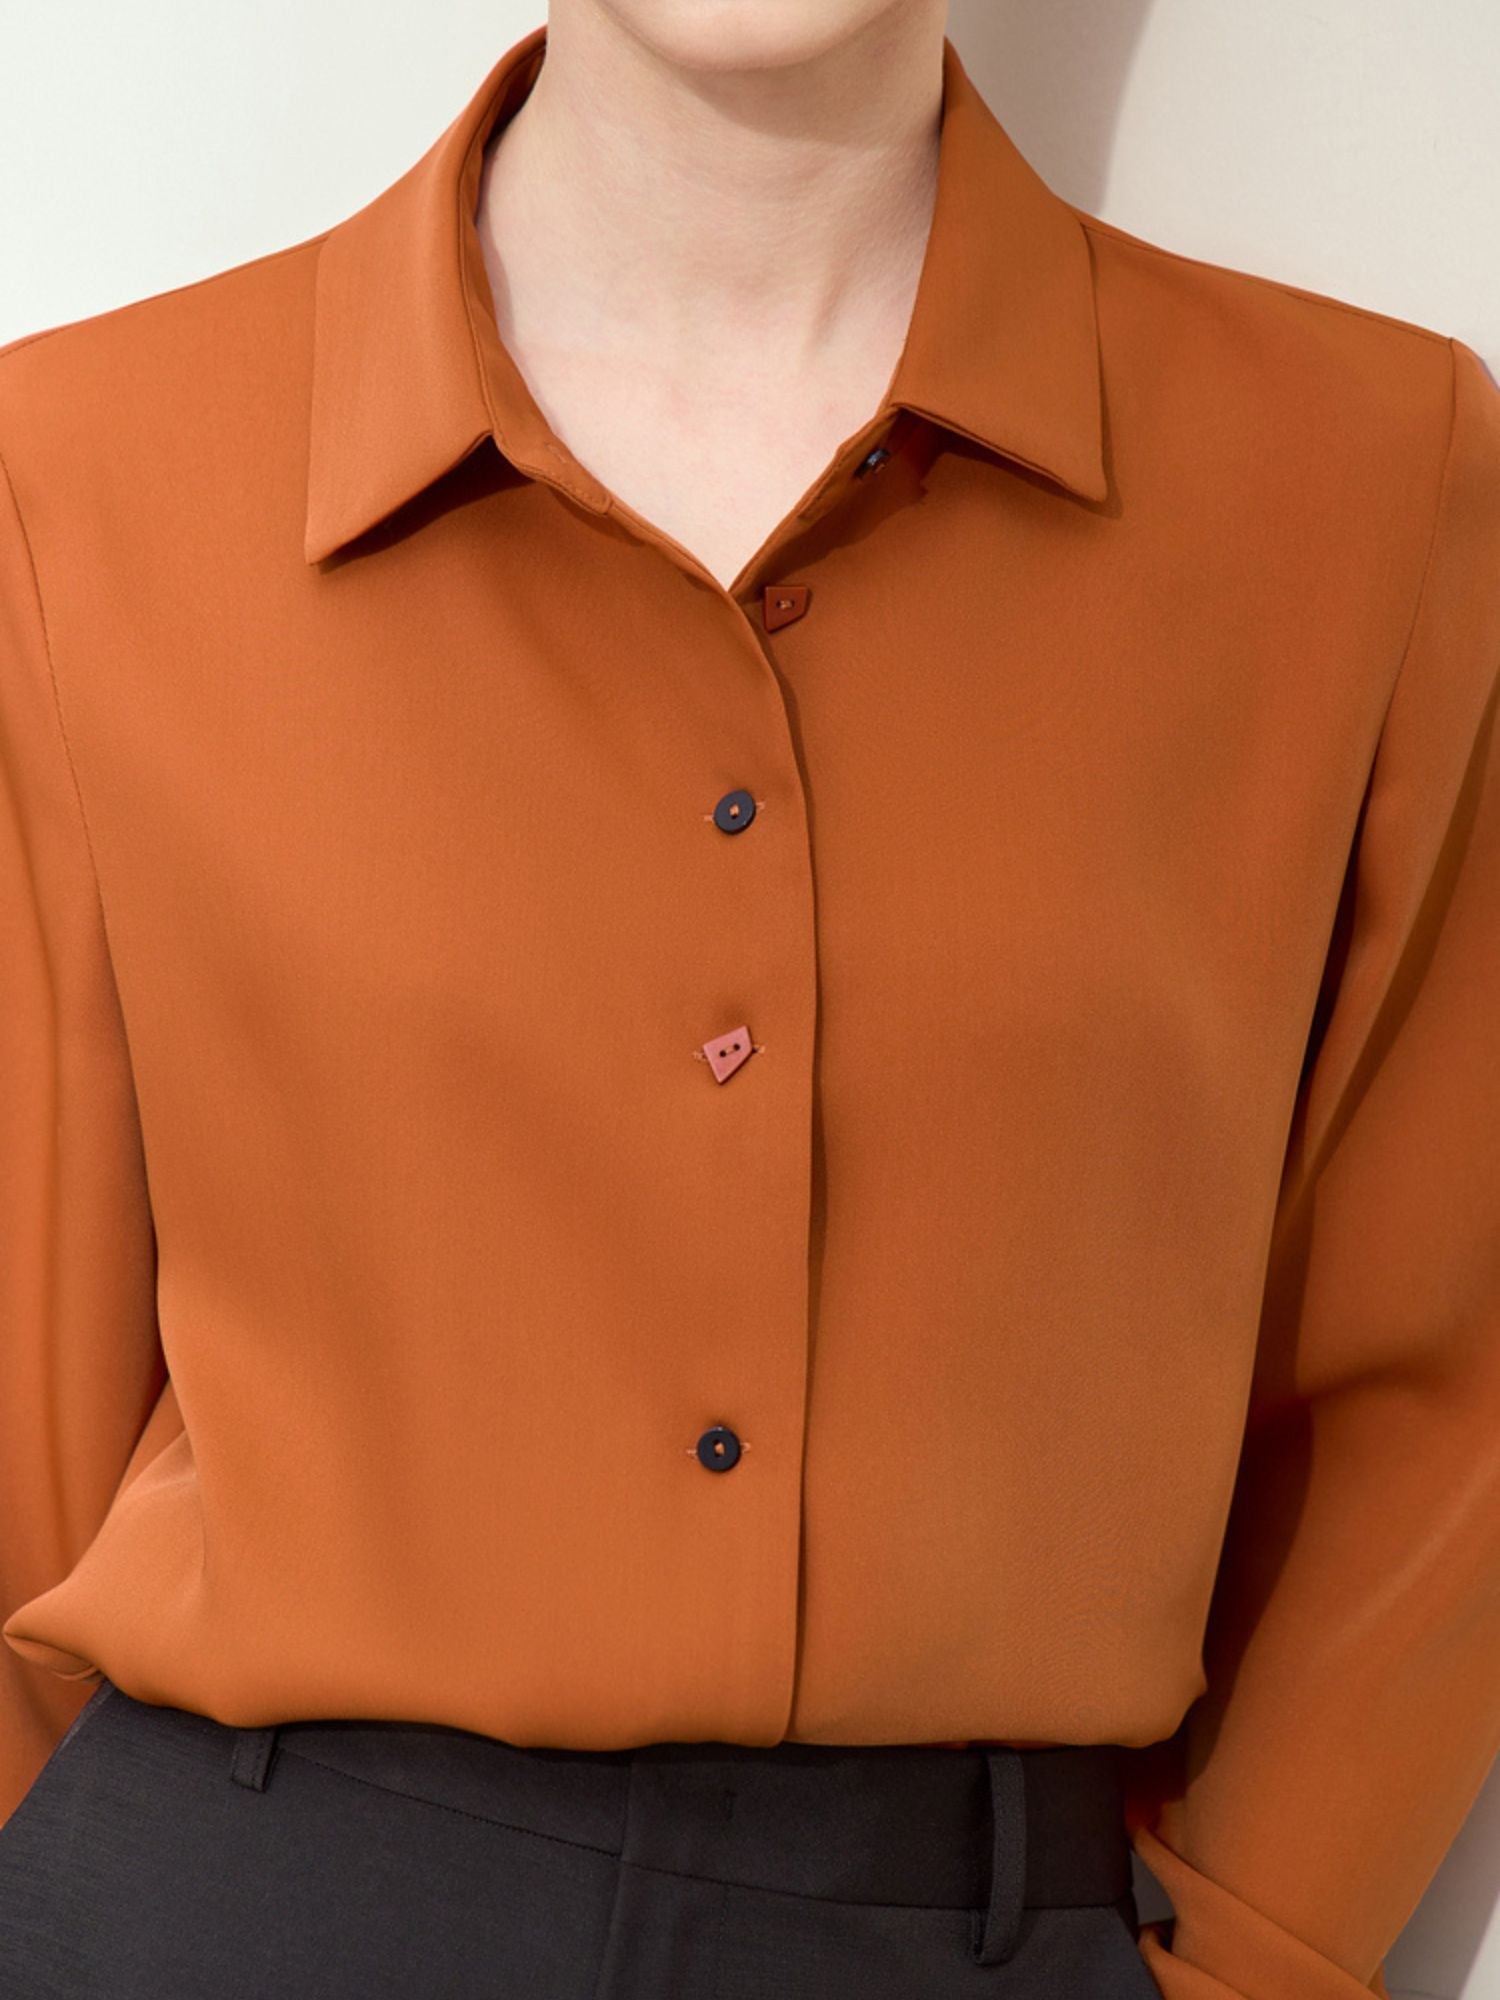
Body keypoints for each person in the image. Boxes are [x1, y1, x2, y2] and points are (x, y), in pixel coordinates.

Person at [0, 3, 1496, 1996]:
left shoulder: (1363, 478)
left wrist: (1247, 1962)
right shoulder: (84, 474)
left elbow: (1439, 1369)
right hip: (231, 1910)